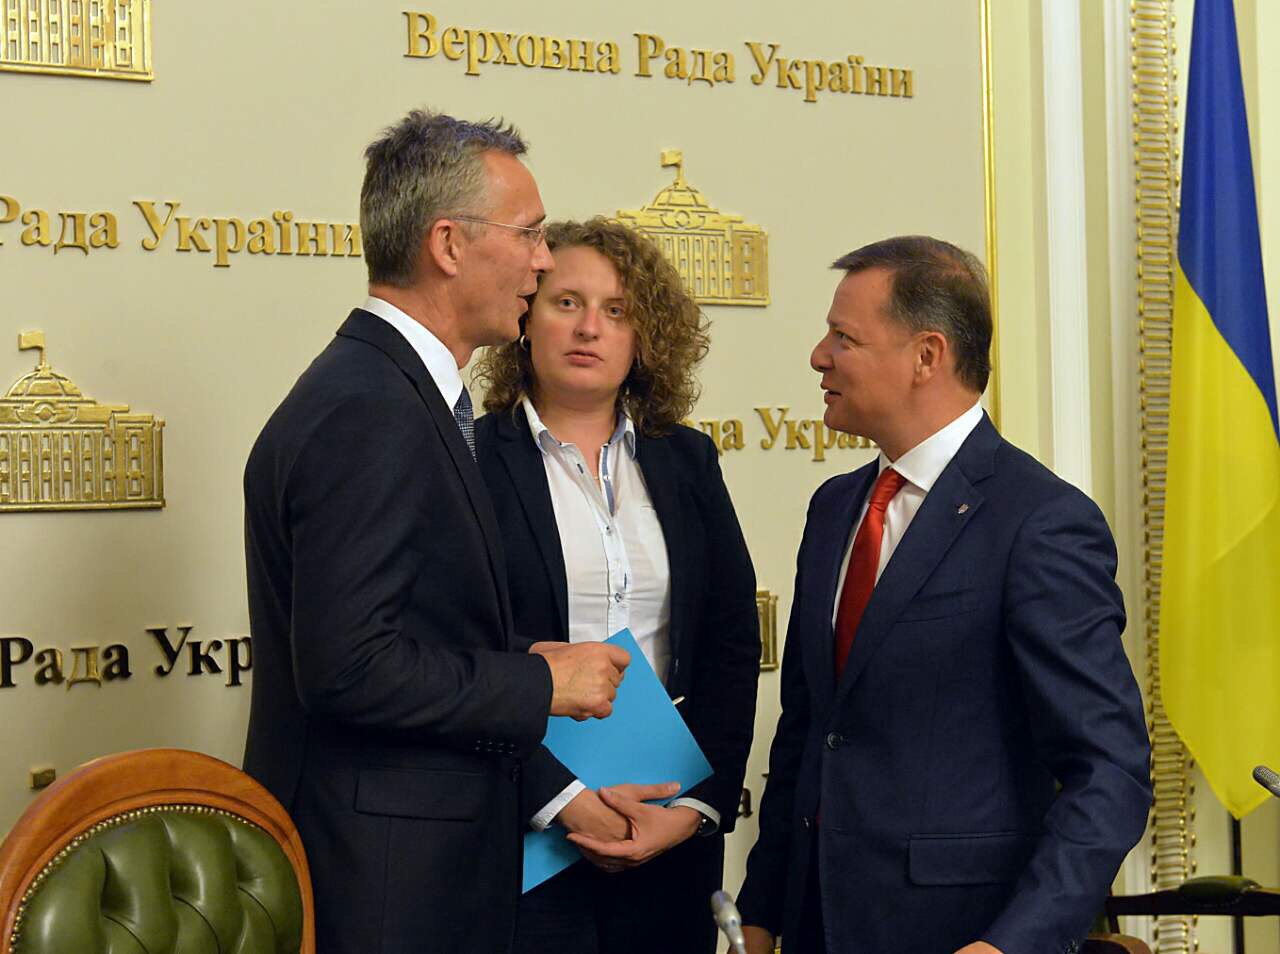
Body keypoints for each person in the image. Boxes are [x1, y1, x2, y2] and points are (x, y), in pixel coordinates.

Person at [241, 111, 631, 954]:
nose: (543, 260)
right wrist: (538, 684)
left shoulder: (391, 389)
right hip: (383, 884)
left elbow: (403, 627)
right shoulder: (371, 407)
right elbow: (347, 667)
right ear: (448, 245)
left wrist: (521, 658)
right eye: (528, 234)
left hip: (410, 868)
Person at [735, 236, 1152, 954]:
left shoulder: (1040, 521)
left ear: (926, 356)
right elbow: (808, 735)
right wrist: (760, 915)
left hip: (961, 933)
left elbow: (1108, 770)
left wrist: (1013, 944)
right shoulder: (834, 508)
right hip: (813, 927)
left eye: (844, 338)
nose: (818, 357)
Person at [472, 218, 761, 954]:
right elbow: (460, 651)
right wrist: (560, 798)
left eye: (616, 310)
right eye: (566, 302)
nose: (589, 328)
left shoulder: (688, 460)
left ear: (644, 337)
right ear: (525, 317)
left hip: (666, 827)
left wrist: (695, 809)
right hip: (521, 827)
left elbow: (731, 646)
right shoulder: (471, 458)